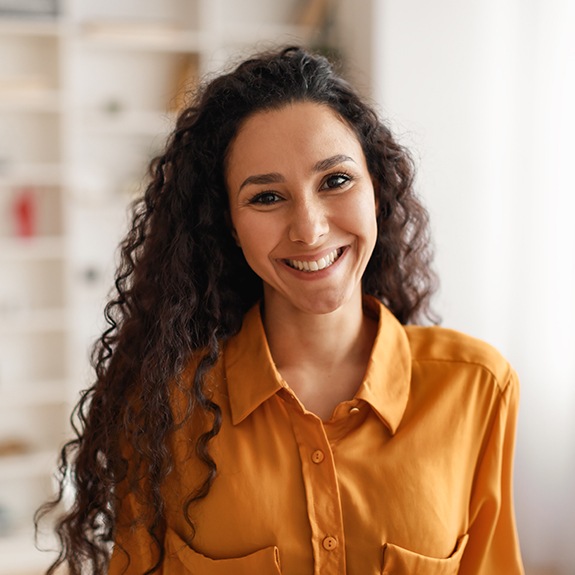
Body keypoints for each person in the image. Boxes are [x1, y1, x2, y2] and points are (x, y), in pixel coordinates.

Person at [36, 46, 524, 574]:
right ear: (228, 224)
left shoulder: (477, 387)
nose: (309, 229)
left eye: (336, 181)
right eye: (267, 197)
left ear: (376, 190)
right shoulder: (163, 408)